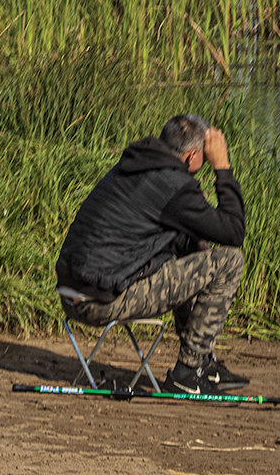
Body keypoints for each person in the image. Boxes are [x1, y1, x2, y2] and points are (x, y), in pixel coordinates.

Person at [55, 113, 250, 394]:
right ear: (192, 155)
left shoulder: (134, 166)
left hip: (71, 294)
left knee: (192, 251)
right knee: (230, 262)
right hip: (101, 301)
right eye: (203, 160)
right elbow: (233, 233)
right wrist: (222, 167)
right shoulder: (174, 186)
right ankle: (189, 370)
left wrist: (196, 247)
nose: (203, 166)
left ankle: (203, 364)